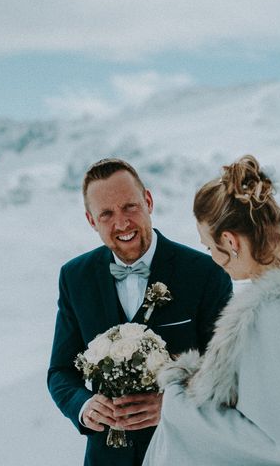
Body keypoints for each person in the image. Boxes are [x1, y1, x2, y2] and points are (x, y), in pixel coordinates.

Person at [143, 155, 280, 466]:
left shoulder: (274, 316)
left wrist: (178, 403)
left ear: (229, 240)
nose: (211, 257)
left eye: (209, 246)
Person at [47, 158, 232, 466]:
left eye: (129, 206)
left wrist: (173, 406)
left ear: (148, 201)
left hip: (184, 453)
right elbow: (61, 371)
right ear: (91, 220)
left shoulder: (206, 274)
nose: (121, 223)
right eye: (106, 214)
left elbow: (227, 373)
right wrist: (84, 405)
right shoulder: (74, 277)